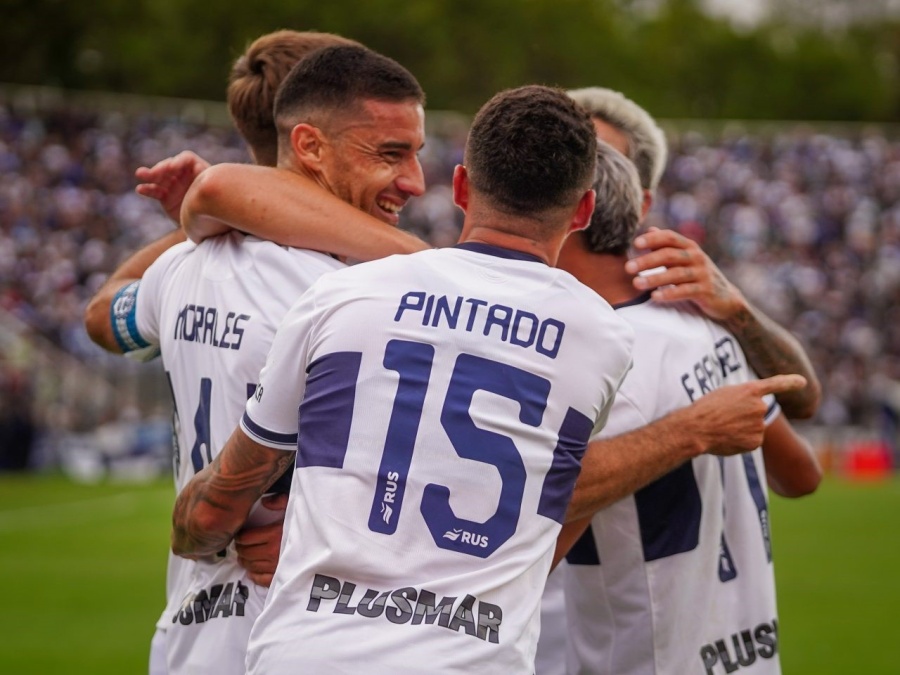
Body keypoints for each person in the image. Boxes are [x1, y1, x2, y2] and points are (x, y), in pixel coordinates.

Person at [171, 84, 637, 674]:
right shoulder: (603, 337)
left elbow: (211, 513)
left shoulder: (344, 294)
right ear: (584, 210)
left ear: (461, 187)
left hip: (310, 655)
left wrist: (205, 532)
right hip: (471, 661)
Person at [84, 41, 427, 675]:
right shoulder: (360, 292)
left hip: (190, 637)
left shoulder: (180, 268)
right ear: (308, 142)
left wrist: (192, 222)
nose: (414, 180)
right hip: (316, 632)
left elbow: (103, 316)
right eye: (389, 152)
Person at [537, 87, 822, 675]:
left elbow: (521, 539)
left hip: (618, 653)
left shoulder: (591, 353)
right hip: (741, 653)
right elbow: (802, 472)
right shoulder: (694, 317)